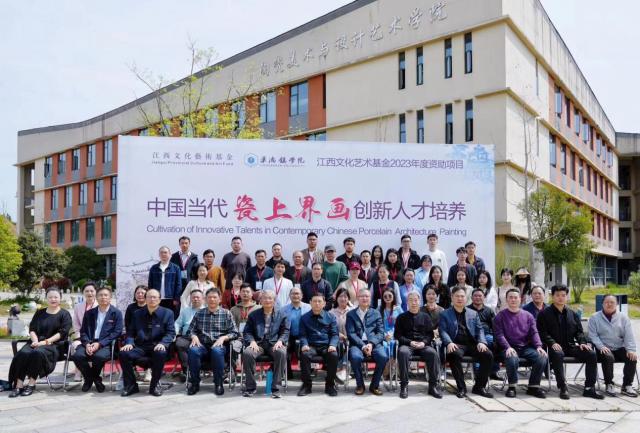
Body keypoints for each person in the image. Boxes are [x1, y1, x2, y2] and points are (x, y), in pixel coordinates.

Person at [536, 284, 603, 400]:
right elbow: (542, 332)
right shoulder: (544, 314)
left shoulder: (573, 314)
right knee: (558, 354)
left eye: (563, 295)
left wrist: (582, 342)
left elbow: (579, 332)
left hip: (570, 347)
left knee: (591, 354)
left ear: (567, 297)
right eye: (557, 295)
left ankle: (589, 388)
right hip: (554, 348)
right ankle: (563, 387)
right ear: (552, 296)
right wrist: (552, 343)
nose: (560, 298)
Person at [8, 287, 72, 398]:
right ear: (46, 298)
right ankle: (19, 385)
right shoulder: (40, 313)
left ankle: (31, 384)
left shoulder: (64, 314)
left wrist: (44, 342)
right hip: (35, 341)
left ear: (60, 298)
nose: (53, 299)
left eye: (56, 297)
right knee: (23, 353)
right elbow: (32, 329)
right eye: (50, 297)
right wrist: (36, 341)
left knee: (37, 353)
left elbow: (62, 333)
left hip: (54, 345)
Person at [439, 286, 494, 398]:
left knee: (488, 355)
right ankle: (461, 387)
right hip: (456, 344)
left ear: (466, 298)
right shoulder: (445, 314)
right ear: (452, 297)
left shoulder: (473, 313)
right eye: (457, 296)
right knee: (453, 354)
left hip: (472, 344)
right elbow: (442, 331)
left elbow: (480, 330)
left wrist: (482, 342)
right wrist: (449, 342)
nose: (460, 298)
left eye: (462, 296)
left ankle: (479, 387)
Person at [119, 288, 175, 397]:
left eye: (154, 297)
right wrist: (129, 342)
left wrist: (163, 343)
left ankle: (154, 386)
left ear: (159, 300)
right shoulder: (137, 314)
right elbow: (130, 332)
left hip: (157, 346)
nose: (152, 299)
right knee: (124, 354)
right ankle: (131, 385)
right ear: (145, 299)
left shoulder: (168, 313)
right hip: (141, 346)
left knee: (160, 353)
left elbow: (170, 333)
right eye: (149, 297)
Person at [493, 289, 548, 398]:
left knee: (542, 357)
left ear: (520, 299)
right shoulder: (500, 316)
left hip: (525, 347)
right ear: (506, 299)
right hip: (507, 348)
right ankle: (512, 386)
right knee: (512, 357)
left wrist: (538, 346)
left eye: (515, 297)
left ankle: (533, 387)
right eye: (510, 297)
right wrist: (507, 347)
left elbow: (534, 332)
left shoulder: (528, 316)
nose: (513, 300)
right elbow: (499, 334)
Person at [186, 288, 238, 396]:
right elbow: (190, 330)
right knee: (193, 350)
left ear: (219, 299)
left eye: (215, 297)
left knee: (216, 351)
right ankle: (195, 383)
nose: (212, 299)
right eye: (209, 297)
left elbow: (234, 332)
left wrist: (224, 338)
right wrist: (193, 336)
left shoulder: (226, 313)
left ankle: (218, 383)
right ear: (205, 299)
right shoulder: (199, 313)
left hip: (219, 345)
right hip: (202, 345)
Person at [72, 287, 124, 393]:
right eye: (100, 295)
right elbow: (83, 331)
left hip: (106, 343)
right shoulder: (89, 313)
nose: (103, 297)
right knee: (77, 356)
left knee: (99, 357)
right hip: (89, 342)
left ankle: (92, 379)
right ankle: (91, 379)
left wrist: (99, 344)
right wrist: (87, 344)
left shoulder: (116, 313)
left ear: (110, 297)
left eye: (106, 295)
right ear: (97, 297)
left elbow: (117, 332)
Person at [588, 294, 638, 397]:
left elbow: (629, 335)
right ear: (602, 304)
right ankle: (609, 384)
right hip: (603, 348)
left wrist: (631, 350)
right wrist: (601, 346)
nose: (609, 304)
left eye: (612, 302)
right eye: (606, 302)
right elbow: (593, 335)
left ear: (617, 304)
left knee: (632, 357)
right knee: (608, 357)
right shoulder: (594, 317)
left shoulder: (623, 317)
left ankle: (627, 386)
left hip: (619, 347)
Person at [242, 291, 289, 398]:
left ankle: (276, 388)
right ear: (260, 300)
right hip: (258, 344)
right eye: (265, 298)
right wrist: (252, 341)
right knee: (247, 353)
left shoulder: (282, 314)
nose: (267, 300)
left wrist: (280, 341)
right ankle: (250, 387)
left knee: (281, 352)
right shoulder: (253, 315)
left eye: (270, 298)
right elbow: (247, 331)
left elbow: (285, 331)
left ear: (274, 300)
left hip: (274, 343)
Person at [395, 292, 442, 399]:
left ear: (419, 302)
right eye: (411, 300)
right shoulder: (401, 317)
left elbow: (430, 334)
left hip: (422, 345)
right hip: (407, 344)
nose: (413, 303)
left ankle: (433, 386)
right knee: (402, 352)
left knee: (432, 353)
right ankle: (404, 385)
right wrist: (409, 342)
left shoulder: (425, 317)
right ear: (407, 302)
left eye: (415, 300)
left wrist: (423, 343)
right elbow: (397, 335)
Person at [346, 289, 388, 396]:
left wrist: (371, 344)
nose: (364, 298)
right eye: (362, 296)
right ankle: (360, 385)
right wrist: (363, 346)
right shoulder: (351, 314)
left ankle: (374, 385)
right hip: (357, 344)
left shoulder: (376, 313)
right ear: (357, 298)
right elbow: (351, 334)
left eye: (367, 296)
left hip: (374, 344)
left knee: (383, 357)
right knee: (355, 357)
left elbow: (381, 332)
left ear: (370, 298)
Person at [297, 293, 340, 397]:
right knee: (305, 354)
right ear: (310, 303)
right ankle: (306, 386)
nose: (317, 303)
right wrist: (304, 344)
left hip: (326, 346)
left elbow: (335, 334)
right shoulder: (304, 318)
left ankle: (330, 385)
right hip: (311, 345)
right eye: (314, 301)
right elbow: (302, 335)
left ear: (324, 303)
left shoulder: (331, 317)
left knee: (333, 355)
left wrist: (333, 345)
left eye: (319, 301)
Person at [174, 289, 205, 382]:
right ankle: (187, 371)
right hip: (187, 336)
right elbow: (177, 323)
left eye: (198, 297)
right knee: (179, 344)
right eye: (193, 297)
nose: (195, 299)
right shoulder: (185, 311)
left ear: (203, 298)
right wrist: (175, 333)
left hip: (202, 337)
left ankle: (197, 370)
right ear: (190, 299)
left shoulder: (206, 310)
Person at [281, 287, 311, 378]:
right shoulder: (283, 309)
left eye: (297, 293)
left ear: (302, 295)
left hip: (305, 336)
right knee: (283, 350)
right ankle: (288, 375)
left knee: (306, 352)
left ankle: (305, 373)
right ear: (289, 296)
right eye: (293, 294)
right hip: (289, 336)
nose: (295, 296)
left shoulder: (309, 307)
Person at [147, 246, 182, 316]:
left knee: (170, 317)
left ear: (170, 254)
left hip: (171, 299)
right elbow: (150, 284)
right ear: (159, 255)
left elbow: (178, 284)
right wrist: (151, 297)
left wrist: (176, 298)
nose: (163, 254)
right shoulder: (154, 268)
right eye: (161, 253)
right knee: (157, 318)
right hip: (157, 299)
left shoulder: (176, 268)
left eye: (165, 252)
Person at [329, 287, 353, 384]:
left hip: (350, 338)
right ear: (336, 298)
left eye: (345, 297)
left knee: (349, 345)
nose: (343, 299)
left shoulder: (352, 311)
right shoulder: (331, 313)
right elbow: (329, 328)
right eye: (340, 296)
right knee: (339, 345)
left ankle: (343, 369)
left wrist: (348, 336)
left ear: (348, 299)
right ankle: (339, 370)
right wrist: (338, 334)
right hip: (336, 338)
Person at [72, 282, 99, 349]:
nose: (89, 293)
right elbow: (76, 324)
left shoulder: (100, 306)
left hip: (97, 338)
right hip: (82, 337)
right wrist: (79, 336)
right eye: (87, 291)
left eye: (92, 291)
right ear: (83, 292)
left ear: (96, 292)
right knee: (76, 347)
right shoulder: (78, 307)